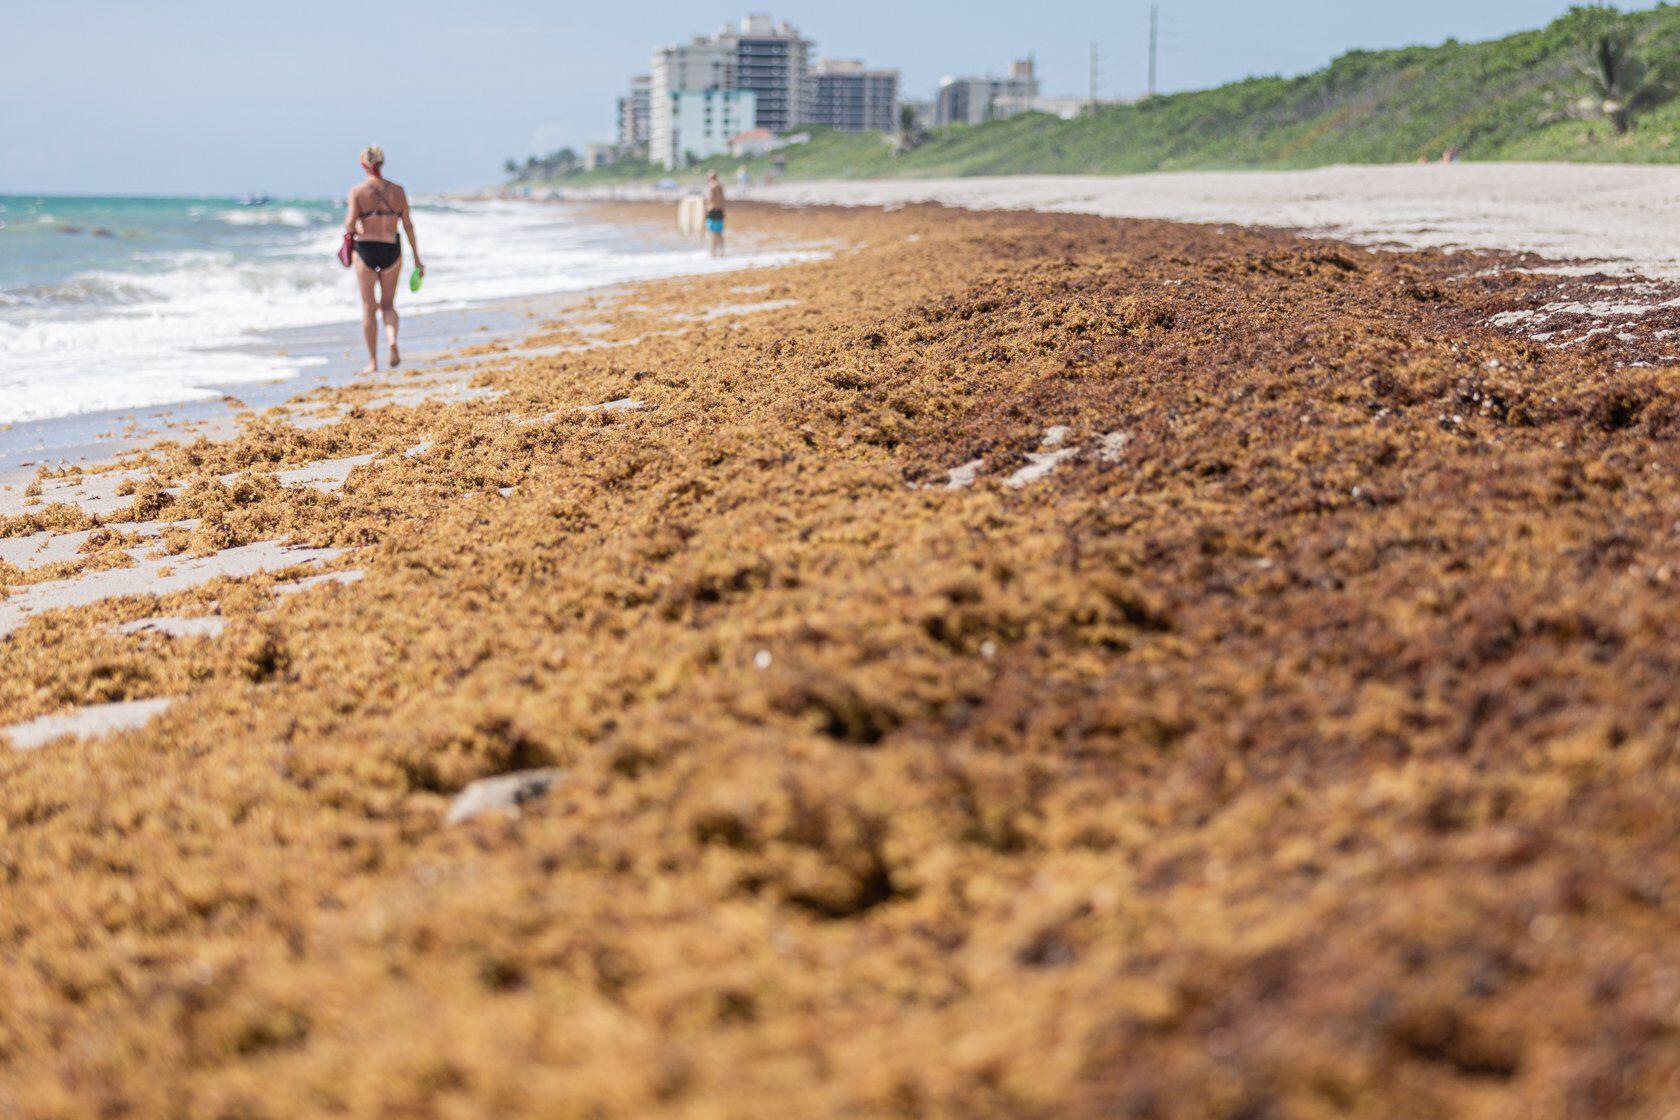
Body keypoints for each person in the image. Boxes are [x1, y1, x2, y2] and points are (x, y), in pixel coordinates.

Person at [344, 145, 423, 373]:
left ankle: (372, 362)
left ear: (363, 164)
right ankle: (392, 341)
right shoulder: (398, 190)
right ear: (382, 162)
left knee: (369, 308)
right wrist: (417, 258)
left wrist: (358, 228)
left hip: (366, 249)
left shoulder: (358, 191)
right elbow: (408, 225)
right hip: (391, 249)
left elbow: (349, 223)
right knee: (388, 305)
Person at [705, 170, 726, 258]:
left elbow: (709, 199)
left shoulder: (710, 187)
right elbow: (723, 200)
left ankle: (713, 252)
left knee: (712, 233)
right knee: (720, 233)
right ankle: (721, 251)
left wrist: (705, 210)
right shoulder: (720, 187)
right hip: (720, 211)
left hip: (712, 210)